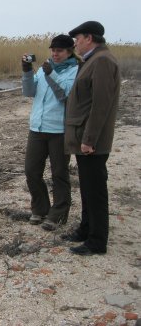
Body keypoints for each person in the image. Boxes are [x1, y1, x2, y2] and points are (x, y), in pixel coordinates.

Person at [61, 21, 121, 255]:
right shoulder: (92, 60)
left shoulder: (103, 61)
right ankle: (85, 230)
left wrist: (90, 139)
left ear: (90, 38)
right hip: (84, 137)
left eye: (78, 38)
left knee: (95, 190)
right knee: (87, 187)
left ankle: (97, 241)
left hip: (91, 140)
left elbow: (101, 105)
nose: (75, 43)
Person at [21, 34, 79, 231]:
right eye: (53, 50)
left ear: (69, 52)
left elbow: (65, 96)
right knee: (31, 171)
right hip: (37, 128)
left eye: (60, 51)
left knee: (59, 173)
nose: (55, 54)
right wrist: (27, 71)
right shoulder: (45, 66)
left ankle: (58, 214)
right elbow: (29, 92)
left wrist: (51, 74)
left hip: (59, 130)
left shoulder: (74, 70)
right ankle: (40, 208)